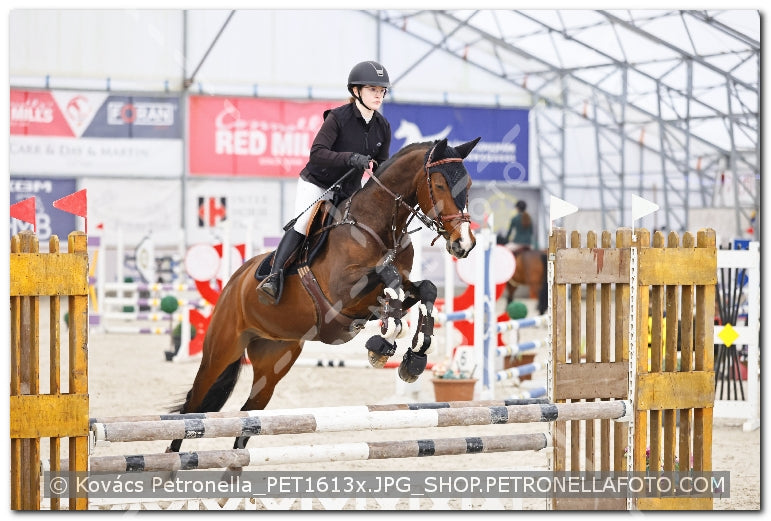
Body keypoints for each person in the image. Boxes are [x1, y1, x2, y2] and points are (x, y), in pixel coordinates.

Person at [257, 60, 393, 303]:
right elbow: (317, 152)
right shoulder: (338, 118)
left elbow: (381, 167)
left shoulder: (383, 127)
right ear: (356, 91)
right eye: (373, 89)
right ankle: (274, 278)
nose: (379, 95)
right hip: (318, 183)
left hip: (350, 191)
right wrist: (350, 158)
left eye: (381, 90)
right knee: (302, 224)